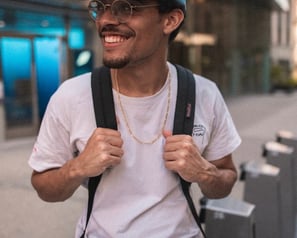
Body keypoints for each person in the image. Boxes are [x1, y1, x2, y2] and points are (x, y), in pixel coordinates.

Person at [29, 0, 241, 237]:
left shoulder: (204, 94)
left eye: (125, 7)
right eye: (100, 6)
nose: (105, 20)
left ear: (170, 20)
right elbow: (44, 188)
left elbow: (226, 180)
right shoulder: (71, 96)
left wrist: (204, 173)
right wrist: (77, 168)